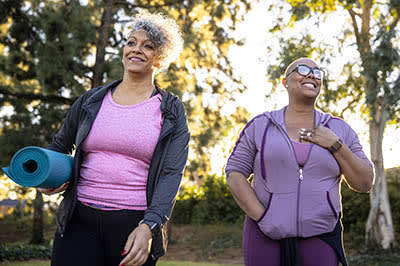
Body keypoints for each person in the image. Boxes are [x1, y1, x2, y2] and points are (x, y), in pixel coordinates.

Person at [38, 10, 189, 266]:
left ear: (159, 59)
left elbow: (171, 173)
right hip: (78, 219)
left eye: (148, 46)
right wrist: (47, 176)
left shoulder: (171, 111)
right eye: (131, 42)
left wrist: (149, 226)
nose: (136, 50)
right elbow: (60, 144)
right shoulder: (91, 100)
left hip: (132, 224)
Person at [225, 58, 374, 266]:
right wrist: (263, 217)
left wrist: (335, 144)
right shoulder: (260, 125)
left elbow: (364, 182)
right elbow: (234, 173)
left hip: (321, 237)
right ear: (285, 82)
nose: (312, 74)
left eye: (317, 72)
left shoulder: (339, 129)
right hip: (264, 236)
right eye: (303, 70)